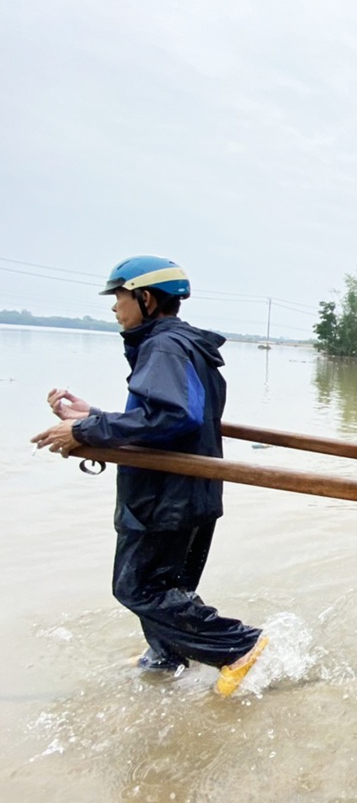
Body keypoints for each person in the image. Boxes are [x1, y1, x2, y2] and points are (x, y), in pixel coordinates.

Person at [31, 255, 267, 696]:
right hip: (193, 492)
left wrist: (85, 430)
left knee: (137, 587)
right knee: (168, 587)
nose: (114, 307)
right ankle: (166, 658)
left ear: (145, 298)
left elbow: (172, 416)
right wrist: (94, 415)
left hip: (164, 498)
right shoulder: (184, 345)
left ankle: (238, 646)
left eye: (119, 297)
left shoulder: (163, 347)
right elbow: (173, 418)